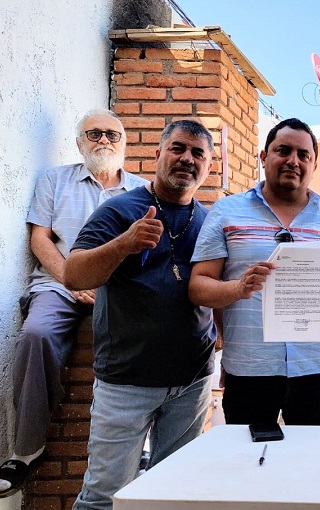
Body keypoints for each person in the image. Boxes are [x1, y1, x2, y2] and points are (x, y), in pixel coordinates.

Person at [63, 119, 217, 510]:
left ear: (209, 165)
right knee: (103, 496)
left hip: (192, 382)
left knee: (172, 493)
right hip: (126, 383)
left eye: (198, 153)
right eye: (178, 148)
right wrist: (125, 243)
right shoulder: (120, 209)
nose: (187, 159)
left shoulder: (209, 220)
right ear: (158, 154)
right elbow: (74, 274)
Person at [0, 109, 147, 498]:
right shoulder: (54, 180)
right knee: (35, 335)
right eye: (94, 133)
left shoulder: (142, 191)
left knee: (147, 337)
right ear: (79, 142)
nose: (104, 141)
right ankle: (25, 451)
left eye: (113, 135)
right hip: (59, 284)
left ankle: (142, 446)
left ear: (124, 144)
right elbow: (41, 239)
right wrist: (72, 278)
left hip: (116, 288)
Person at [189, 118, 320, 427]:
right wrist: (237, 288)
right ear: (264, 157)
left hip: (316, 370)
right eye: (283, 150)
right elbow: (198, 286)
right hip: (250, 369)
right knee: (250, 461)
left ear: (313, 164)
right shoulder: (227, 212)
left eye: (303, 155)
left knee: (310, 463)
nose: (293, 161)